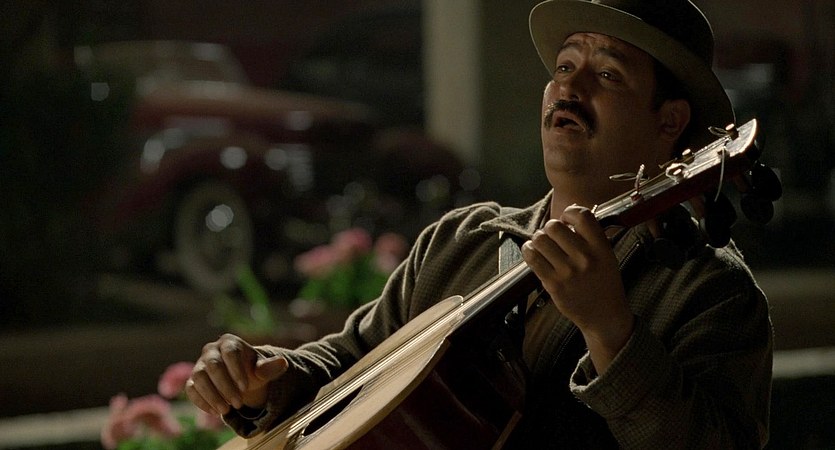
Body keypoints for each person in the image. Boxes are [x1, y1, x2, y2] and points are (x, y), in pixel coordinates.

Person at [185, 0, 773, 448]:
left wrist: (610, 329)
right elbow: (353, 358)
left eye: (608, 75)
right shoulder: (463, 239)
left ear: (670, 121)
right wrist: (268, 378)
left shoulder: (711, 291)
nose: (568, 88)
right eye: (565, 66)